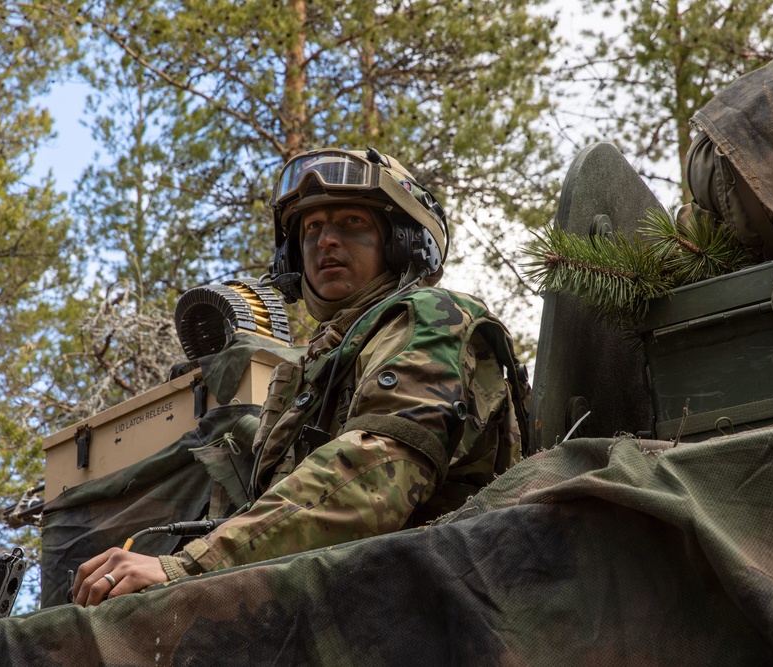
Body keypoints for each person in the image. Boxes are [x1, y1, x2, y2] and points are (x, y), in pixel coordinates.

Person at [72, 148, 529, 606]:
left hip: (441, 602)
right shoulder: (308, 370)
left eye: (351, 222)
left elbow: (375, 476)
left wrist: (189, 567)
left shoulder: (432, 317)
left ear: (403, 243)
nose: (325, 240)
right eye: (311, 228)